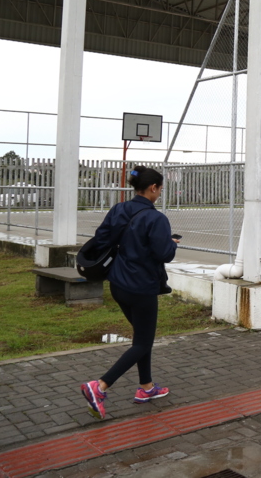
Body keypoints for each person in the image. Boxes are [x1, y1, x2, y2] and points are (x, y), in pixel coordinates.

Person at [80, 167, 179, 421]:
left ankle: (146, 387)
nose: (160, 192)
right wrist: (171, 243)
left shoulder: (118, 209)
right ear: (153, 188)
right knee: (143, 342)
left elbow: (101, 239)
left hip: (118, 283)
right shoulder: (156, 219)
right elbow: (164, 254)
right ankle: (100, 386)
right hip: (141, 287)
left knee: (141, 338)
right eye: (160, 188)